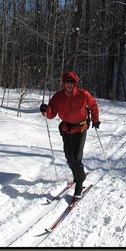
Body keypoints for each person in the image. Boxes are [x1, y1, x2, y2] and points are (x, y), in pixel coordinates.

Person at [40, 71, 100, 200]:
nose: (69, 84)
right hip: (66, 130)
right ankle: (79, 175)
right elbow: (51, 115)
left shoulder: (83, 94)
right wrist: (45, 110)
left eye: (71, 82)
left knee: (77, 158)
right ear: (63, 83)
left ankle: (79, 184)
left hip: (81, 128)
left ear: (75, 83)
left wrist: (95, 120)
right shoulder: (58, 97)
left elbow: (94, 106)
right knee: (69, 157)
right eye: (67, 82)